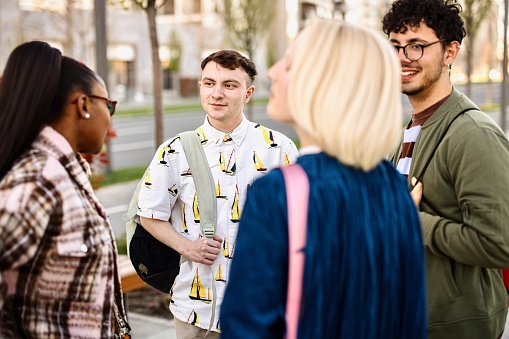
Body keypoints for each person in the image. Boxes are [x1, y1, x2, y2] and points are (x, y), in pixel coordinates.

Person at [220, 19, 427, 339]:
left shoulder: (278, 194)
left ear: (322, 83)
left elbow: (246, 327)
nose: (273, 71)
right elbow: (410, 315)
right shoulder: (392, 183)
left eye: (288, 64)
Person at [137, 50, 299, 338]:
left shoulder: (279, 148)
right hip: (195, 313)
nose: (217, 93)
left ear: (248, 93)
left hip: (262, 310)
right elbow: (150, 214)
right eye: (209, 83)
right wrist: (188, 247)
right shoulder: (174, 151)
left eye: (229, 85)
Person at [382, 0, 509, 338]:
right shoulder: (407, 131)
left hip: (458, 326)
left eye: (417, 46)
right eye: (395, 46)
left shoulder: (473, 134)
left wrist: (411, 220)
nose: (402, 58)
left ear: (450, 52)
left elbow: (499, 244)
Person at [0, 41, 128, 337]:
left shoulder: (62, 173)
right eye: (108, 106)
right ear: (84, 105)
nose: (110, 117)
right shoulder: (40, 179)